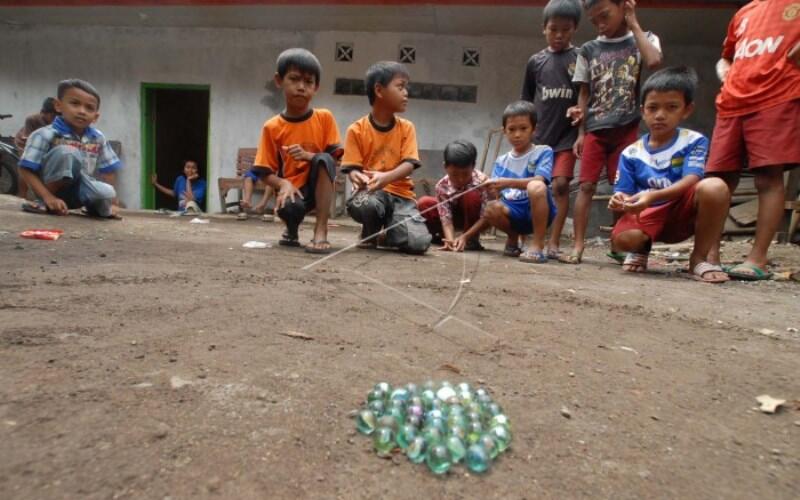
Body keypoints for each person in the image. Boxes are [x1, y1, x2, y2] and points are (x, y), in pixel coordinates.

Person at [705, 0, 800, 281]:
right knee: (718, 180)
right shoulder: (744, 12)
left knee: (767, 178)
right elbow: (726, 56)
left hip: (777, 96)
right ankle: (710, 256)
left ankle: (757, 258)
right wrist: (724, 70)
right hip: (731, 102)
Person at [562, 0, 663, 264]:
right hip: (595, 129)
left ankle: (619, 245)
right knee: (585, 186)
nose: (601, 25)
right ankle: (578, 246)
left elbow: (653, 61)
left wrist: (633, 22)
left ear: (623, 7)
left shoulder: (644, 38)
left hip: (626, 128)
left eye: (605, 16)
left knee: (623, 190)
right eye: (594, 21)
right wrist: (581, 132)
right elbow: (584, 93)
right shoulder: (588, 49)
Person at [609, 67, 731, 283]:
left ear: (686, 110)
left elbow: (692, 179)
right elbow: (624, 192)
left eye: (671, 107)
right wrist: (620, 200)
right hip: (647, 214)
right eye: (653, 108)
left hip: (681, 212)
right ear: (643, 111)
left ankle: (699, 259)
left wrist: (652, 197)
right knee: (624, 240)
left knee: (715, 187)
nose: (660, 115)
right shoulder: (631, 152)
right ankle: (640, 250)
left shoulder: (693, 141)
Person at [244, 48, 343, 254]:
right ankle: (291, 229)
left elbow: (335, 160)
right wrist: (283, 183)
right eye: (294, 79)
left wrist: (309, 156)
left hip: (320, 187)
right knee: (290, 207)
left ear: (316, 87)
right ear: (279, 81)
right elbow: (263, 171)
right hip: (292, 193)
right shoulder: (272, 127)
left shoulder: (324, 118)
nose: (301, 87)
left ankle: (321, 229)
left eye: (308, 82)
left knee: (324, 159)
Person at [342, 61, 431, 254]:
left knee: (419, 243)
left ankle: (386, 235)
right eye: (400, 87)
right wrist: (357, 176)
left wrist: (385, 178)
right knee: (367, 205)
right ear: (379, 90)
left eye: (406, 87)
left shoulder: (407, 127)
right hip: (371, 194)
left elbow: (409, 164)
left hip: (402, 197)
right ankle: (370, 230)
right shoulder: (356, 130)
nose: (406, 93)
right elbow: (352, 168)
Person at [521, 0, 581, 259]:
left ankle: (554, 243)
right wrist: (525, 134)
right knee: (533, 187)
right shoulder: (536, 62)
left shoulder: (580, 59)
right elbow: (525, 100)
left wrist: (581, 132)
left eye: (565, 30)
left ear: (574, 29)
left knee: (559, 186)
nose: (559, 35)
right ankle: (529, 238)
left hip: (567, 137)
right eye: (553, 29)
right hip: (540, 137)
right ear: (543, 28)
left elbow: (585, 97)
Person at [18, 79, 120, 218]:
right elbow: (25, 169)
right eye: (75, 103)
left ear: (95, 117)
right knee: (68, 152)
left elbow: (109, 171)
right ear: (58, 106)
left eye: (89, 108)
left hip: (80, 190)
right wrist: (47, 196)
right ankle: (44, 203)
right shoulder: (44, 134)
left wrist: (112, 202)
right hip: (48, 189)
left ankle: (92, 208)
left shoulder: (98, 137)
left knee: (106, 192)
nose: (82, 111)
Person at [483, 100, 556, 263]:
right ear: (504, 131)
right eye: (512, 129)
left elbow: (540, 180)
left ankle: (538, 245)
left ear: (534, 129)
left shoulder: (543, 151)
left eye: (523, 129)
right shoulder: (501, 161)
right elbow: (496, 194)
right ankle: (513, 238)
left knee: (536, 187)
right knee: (490, 209)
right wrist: (488, 186)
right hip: (513, 213)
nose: (517, 134)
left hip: (536, 211)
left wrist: (507, 182)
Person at [417, 140, 490, 252]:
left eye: (465, 174)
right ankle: (440, 237)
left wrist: (466, 236)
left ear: (473, 166)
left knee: (471, 195)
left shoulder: (483, 182)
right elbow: (446, 219)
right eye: (455, 174)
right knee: (424, 203)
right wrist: (450, 241)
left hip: (475, 220)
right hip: (453, 217)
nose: (460, 179)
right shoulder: (442, 186)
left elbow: (487, 217)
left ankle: (471, 240)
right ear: (445, 167)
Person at [14, 97, 57, 198]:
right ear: (43, 112)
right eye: (53, 115)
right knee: (26, 165)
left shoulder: (58, 122)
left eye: (58, 116)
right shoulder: (32, 119)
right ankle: (22, 195)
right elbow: (28, 139)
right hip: (25, 142)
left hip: (44, 143)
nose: (56, 119)